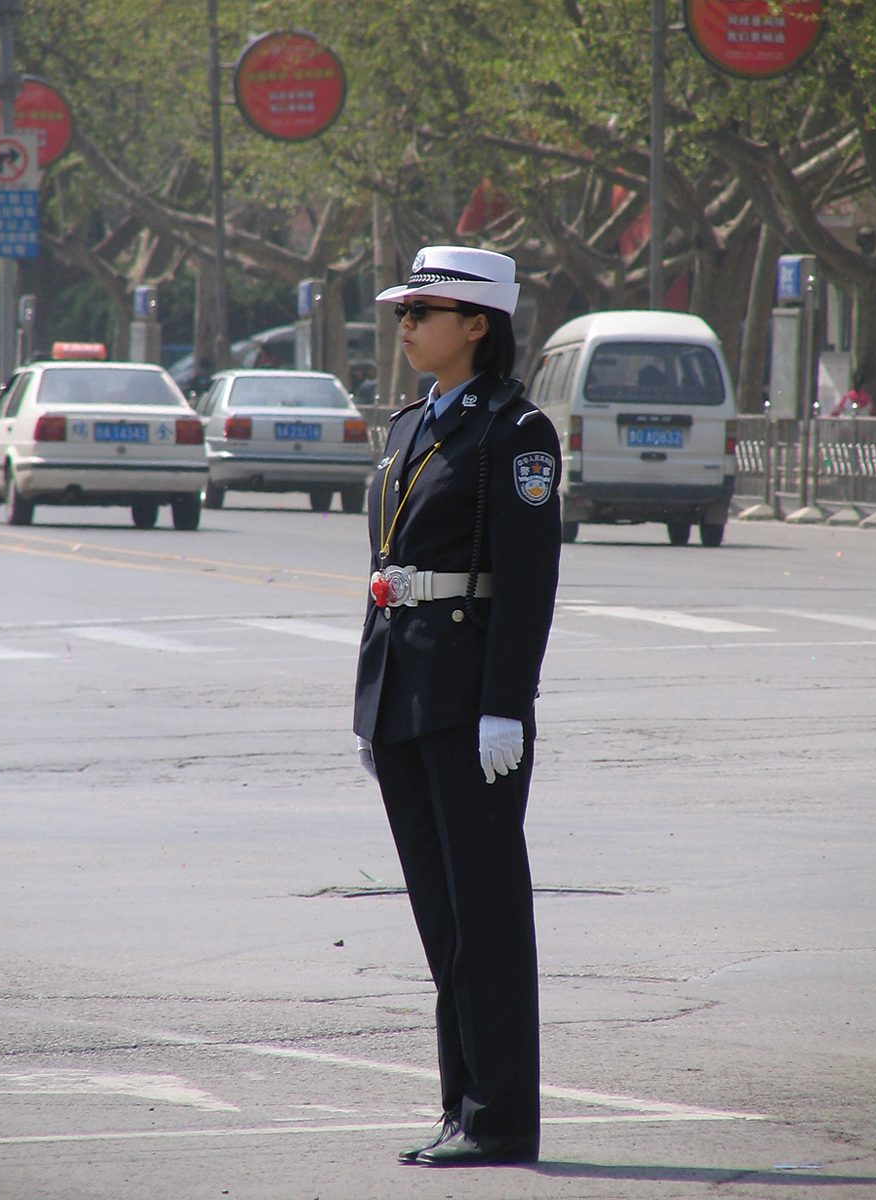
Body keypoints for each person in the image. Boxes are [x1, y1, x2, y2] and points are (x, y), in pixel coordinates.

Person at [353, 246, 561, 1167]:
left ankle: (502, 1115)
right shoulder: (408, 427)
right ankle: (462, 1106)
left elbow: (527, 581)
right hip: (405, 695)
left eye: (423, 312)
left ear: (477, 324)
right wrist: (371, 703)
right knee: (442, 918)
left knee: (486, 914)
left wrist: (505, 706)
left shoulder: (514, 433)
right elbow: (386, 575)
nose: (407, 325)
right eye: (404, 311)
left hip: (469, 700)